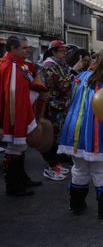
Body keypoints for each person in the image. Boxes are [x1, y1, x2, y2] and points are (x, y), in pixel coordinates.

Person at [57, 48, 103, 218]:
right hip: (101, 135)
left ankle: (76, 205)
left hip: (77, 133)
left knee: (79, 169)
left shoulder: (79, 78)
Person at [0, 36, 43, 196]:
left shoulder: (19, 64)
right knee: (14, 148)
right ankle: (13, 186)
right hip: (14, 115)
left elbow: (31, 73)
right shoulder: (10, 66)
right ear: (13, 49)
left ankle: (21, 179)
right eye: (24, 48)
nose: (28, 50)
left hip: (22, 112)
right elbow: (13, 97)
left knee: (20, 147)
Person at [41, 40, 82, 181]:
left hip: (63, 105)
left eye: (65, 51)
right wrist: (74, 71)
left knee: (60, 135)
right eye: (62, 51)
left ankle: (57, 162)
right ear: (53, 51)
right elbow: (63, 85)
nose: (65, 54)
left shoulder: (61, 64)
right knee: (52, 137)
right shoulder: (48, 66)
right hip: (53, 106)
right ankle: (51, 166)